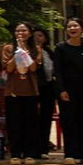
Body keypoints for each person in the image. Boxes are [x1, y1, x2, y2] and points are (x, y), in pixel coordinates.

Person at [54, 16, 83, 165]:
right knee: (69, 122)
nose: (72, 29)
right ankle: (70, 154)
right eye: (69, 27)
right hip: (67, 91)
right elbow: (58, 71)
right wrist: (61, 89)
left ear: (81, 29)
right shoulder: (61, 48)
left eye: (75, 26)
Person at [1, 23, 42, 164]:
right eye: (18, 30)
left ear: (30, 33)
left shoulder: (36, 49)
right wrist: (17, 52)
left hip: (30, 91)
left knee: (30, 124)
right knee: (14, 124)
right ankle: (15, 154)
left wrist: (25, 52)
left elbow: (33, 68)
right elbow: (9, 68)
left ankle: (29, 153)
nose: (21, 33)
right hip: (12, 91)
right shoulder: (8, 48)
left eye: (24, 30)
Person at [31, 26, 58, 157]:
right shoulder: (28, 51)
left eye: (40, 35)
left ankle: (43, 149)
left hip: (47, 88)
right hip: (31, 88)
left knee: (46, 118)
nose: (37, 38)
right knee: (32, 119)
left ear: (45, 38)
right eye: (35, 35)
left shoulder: (50, 52)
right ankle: (32, 149)